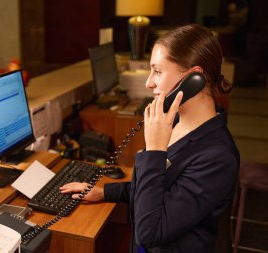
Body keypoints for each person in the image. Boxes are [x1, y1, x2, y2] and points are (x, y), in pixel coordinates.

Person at [60, 24, 240, 253]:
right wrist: (105, 192)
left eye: (157, 71)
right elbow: (157, 188)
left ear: (194, 78)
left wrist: (155, 149)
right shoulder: (174, 123)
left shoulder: (217, 158)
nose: (149, 82)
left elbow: (149, 232)